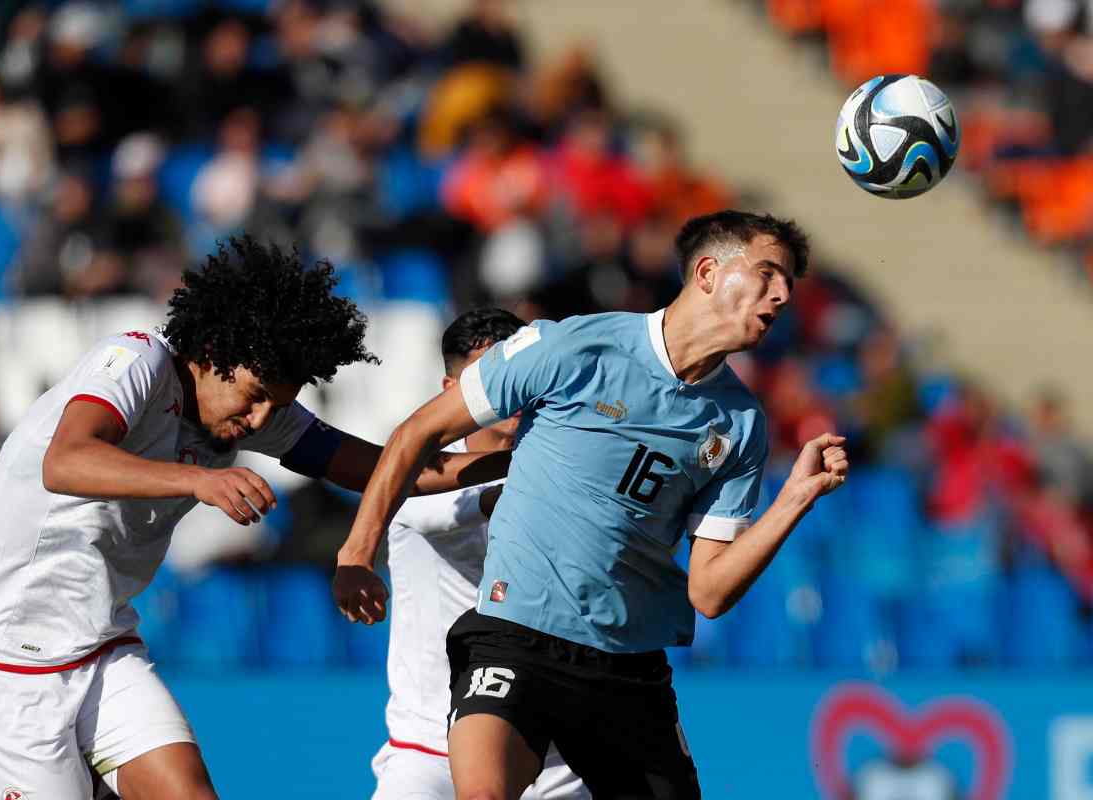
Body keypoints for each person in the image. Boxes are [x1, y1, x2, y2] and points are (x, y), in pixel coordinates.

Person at [0, 235, 507, 800]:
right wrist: (199, 479)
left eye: (276, 405)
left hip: (98, 649)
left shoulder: (253, 408)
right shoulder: (135, 360)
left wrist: (522, 463)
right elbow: (66, 460)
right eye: (254, 395)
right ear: (211, 354)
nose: (259, 420)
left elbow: (391, 468)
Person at [333, 210, 850, 799]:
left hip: (627, 669)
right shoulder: (577, 346)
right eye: (767, 274)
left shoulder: (739, 424)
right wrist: (357, 551)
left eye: (788, 283)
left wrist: (794, 499)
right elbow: (416, 433)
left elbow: (709, 592)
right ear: (708, 271)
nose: (782, 294)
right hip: (515, 635)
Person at [371, 308, 587, 800]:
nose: (507, 392)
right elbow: (430, 511)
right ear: (451, 390)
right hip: (429, 753)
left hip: (551, 760)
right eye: (489, 379)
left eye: (518, 376)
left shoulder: (573, 461)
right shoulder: (412, 470)